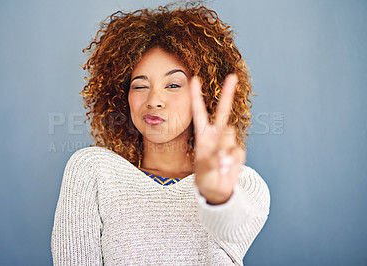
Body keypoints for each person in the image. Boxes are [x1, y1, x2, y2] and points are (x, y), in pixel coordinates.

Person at [51, 2, 270, 265]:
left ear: (205, 96)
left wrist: (218, 197)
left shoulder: (243, 183)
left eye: (174, 84)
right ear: (124, 99)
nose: (154, 100)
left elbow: (234, 228)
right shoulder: (94, 170)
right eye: (140, 86)